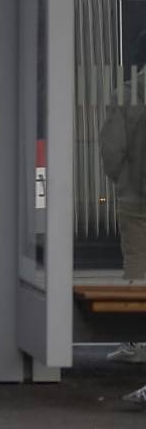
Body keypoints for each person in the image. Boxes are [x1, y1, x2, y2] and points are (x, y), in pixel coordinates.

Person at [100, 31, 146, 400]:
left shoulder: (127, 93)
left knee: (137, 268)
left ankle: (136, 343)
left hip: (136, 200)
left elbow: (112, 149)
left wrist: (124, 181)